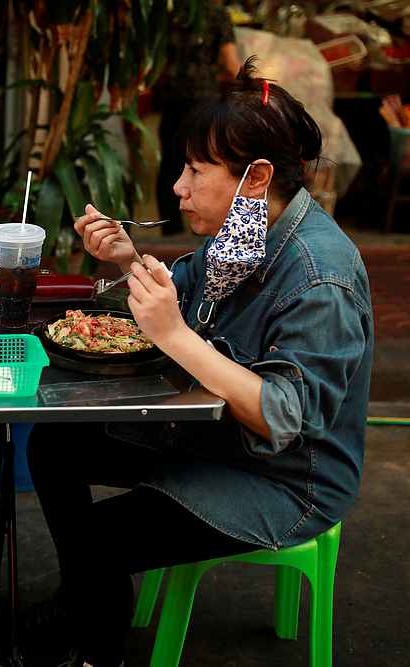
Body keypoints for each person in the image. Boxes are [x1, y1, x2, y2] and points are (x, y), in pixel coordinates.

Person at [25, 59, 373, 667]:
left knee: (103, 540)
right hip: (215, 436)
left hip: (287, 479)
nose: (179, 187)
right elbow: (181, 288)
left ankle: (91, 636)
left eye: (194, 170)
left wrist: (180, 339)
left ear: (256, 176)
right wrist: (128, 260)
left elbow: (282, 417)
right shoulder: (245, 227)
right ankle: (89, 606)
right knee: (54, 446)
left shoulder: (322, 278)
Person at [153, 2, 240, 235]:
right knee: (203, 163)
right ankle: (202, 226)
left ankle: (169, 231)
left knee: (170, 163)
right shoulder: (217, 14)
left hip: (171, 98)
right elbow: (231, 64)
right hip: (204, 102)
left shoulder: (168, 13)